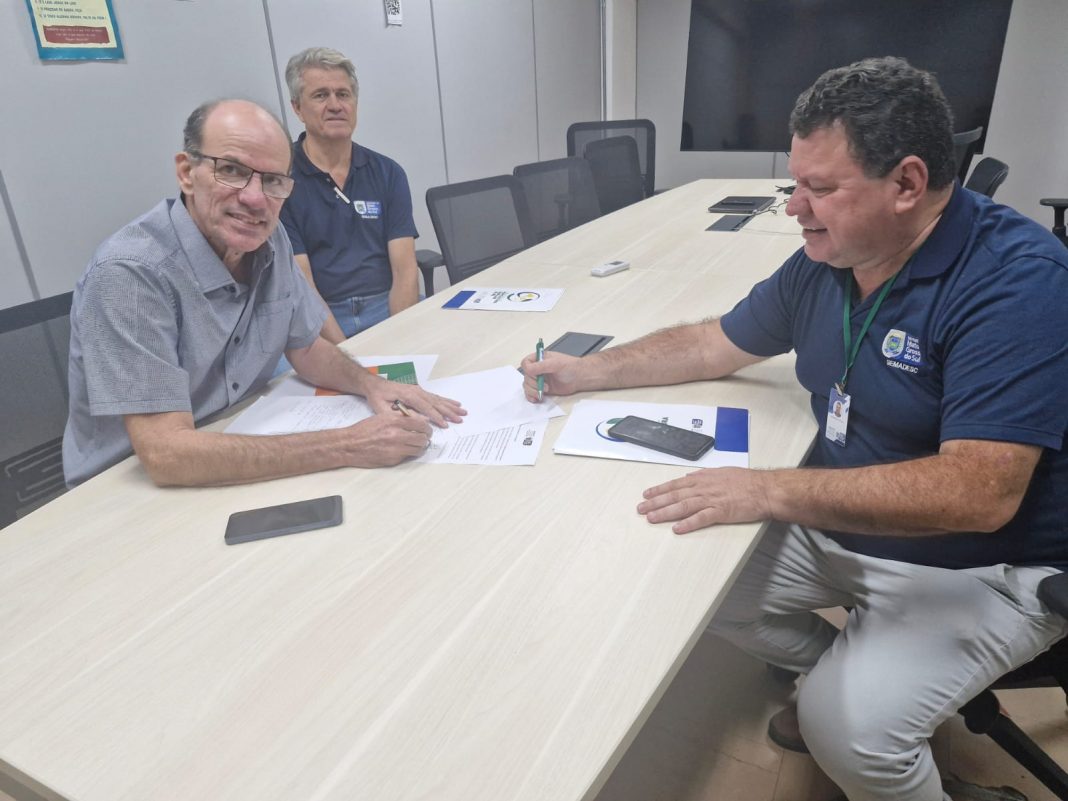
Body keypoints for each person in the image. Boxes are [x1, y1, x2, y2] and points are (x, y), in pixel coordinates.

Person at [521, 57, 1068, 801]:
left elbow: (979, 493)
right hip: (847, 522)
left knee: (852, 733)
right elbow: (714, 341)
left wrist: (770, 489)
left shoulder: (1018, 278)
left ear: (907, 185)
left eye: (820, 189)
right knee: (683, 585)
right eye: (795, 184)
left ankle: (879, 737)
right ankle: (842, 669)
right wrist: (586, 371)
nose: (795, 209)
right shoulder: (832, 258)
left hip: (982, 566)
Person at [63, 98, 463, 488]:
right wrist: (349, 443)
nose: (255, 198)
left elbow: (306, 347)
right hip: (126, 487)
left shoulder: (269, 243)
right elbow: (167, 454)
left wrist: (373, 384)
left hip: (233, 436)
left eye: (273, 181)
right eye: (232, 171)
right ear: (187, 172)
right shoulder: (131, 274)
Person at [280, 46, 420, 342]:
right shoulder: (281, 179)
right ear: (297, 108)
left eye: (343, 94)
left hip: (386, 305)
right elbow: (303, 284)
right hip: (319, 314)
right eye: (320, 95)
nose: (335, 105)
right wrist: (346, 358)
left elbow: (405, 269)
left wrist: (402, 339)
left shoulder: (387, 172)